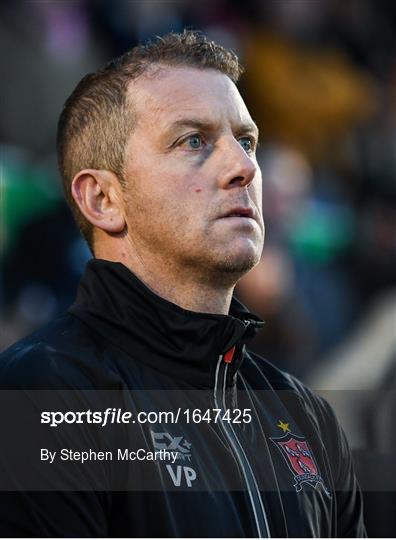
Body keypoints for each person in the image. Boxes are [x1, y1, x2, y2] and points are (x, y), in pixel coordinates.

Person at [0, 30, 366, 537]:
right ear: (103, 199)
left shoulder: (307, 420)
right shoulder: (41, 397)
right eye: (193, 140)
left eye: (247, 141)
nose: (243, 167)